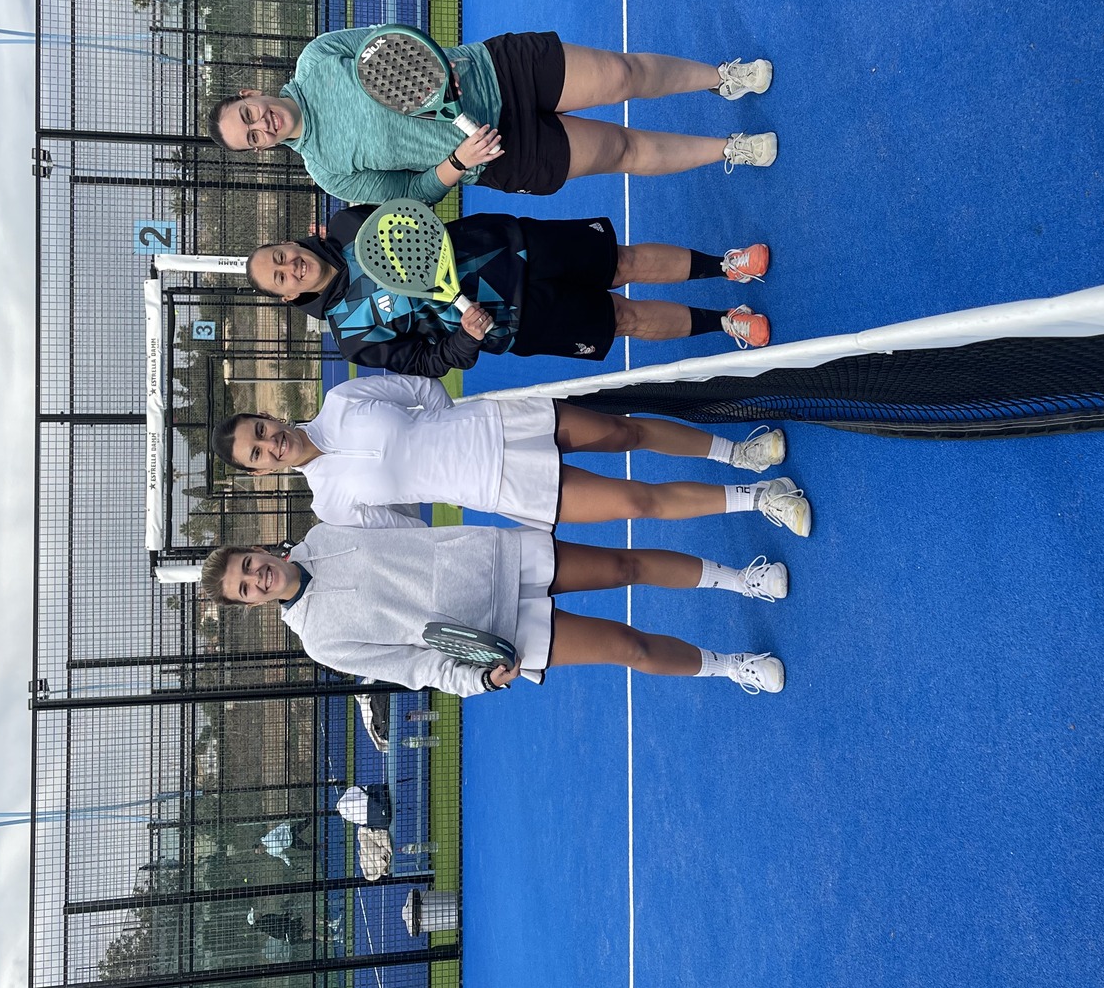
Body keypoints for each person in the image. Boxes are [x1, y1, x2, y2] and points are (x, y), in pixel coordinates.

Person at [203, 27, 777, 206]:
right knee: (620, 150)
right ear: (260, 149)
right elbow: (412, 195)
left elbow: (392, 45)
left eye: (249, 114)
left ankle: (721, 77)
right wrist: (458, 162)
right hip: (498, 155)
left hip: (495, 71)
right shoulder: (328, 171)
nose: (261, 125)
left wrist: (440, 63)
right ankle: (730, 148)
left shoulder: (317, 57)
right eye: (251, 137)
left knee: (621, 74)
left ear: (252, 93)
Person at [199, 524, 789, 696]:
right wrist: (478, 679)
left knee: (623, 565)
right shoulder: (320, 642)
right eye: (245, 589)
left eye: (247, 565)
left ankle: (742, 580)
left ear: (256, 550)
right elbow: (413, 666)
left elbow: (407, 525)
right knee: (625, 647)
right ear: (252, 604)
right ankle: (732, 666)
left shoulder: (325, 533)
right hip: (494, 633)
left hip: (499, 560)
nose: (256, 578)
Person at [212, 381, 812, 537]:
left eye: (260, 431)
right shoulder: (330, 505)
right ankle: (762, 497)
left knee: (623, 432)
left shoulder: (342, 399)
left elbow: (420, 389)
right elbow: (407, 530)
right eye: (258, 454)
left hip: (500, 425)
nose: (270, 443)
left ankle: (742, 453)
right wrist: (440, 476)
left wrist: (451, 427)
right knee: (637, 502)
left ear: (268, 416)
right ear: (261, 473)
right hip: (497, 487)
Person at [246, 208, 773, 375]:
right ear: (287, 297)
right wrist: (467, 338)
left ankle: (725, 265)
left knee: (622, 262)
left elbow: (414, 210)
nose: (290, 267)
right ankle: (726, 321)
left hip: (510, 245)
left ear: (289, 243)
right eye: (279, 278)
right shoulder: (352, 338)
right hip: (515, 321)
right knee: (621, 319)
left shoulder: (349, 224)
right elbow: (428, 362)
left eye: (280, 256)